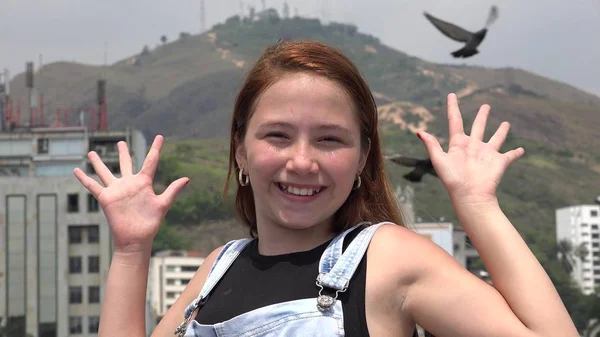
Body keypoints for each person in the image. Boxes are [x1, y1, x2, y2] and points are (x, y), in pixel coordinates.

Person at [73, 40, 578, 337]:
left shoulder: (388, 258)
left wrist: (477, 205)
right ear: (241, 151)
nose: (302, 161)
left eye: (330, 140)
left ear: (362, 158)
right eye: (277, 135)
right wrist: (132, 251)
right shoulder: (216, 269)